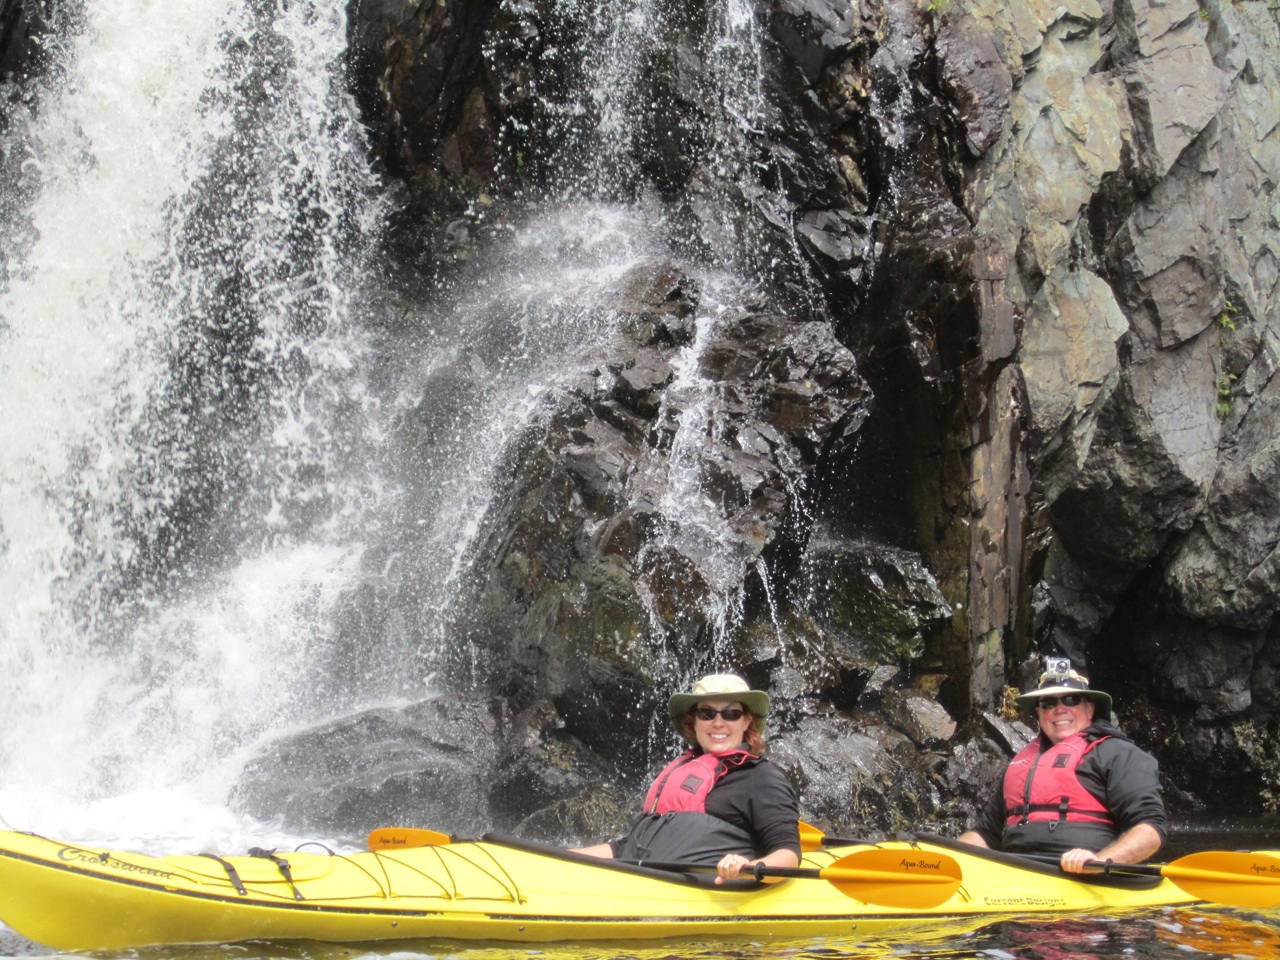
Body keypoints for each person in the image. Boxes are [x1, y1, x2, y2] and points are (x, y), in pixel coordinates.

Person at [572, 673, 801, 883]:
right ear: (694, 721)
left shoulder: (761, 779)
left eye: (731, 713)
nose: (718, 722)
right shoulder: (679, 774)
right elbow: (628, 847)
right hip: (640, 882)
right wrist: (558, 857)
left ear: (746, 721)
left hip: (705, 894)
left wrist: (748, 866)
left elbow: (789, 855)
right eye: (706, 713)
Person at [958, 659, 1167, 874]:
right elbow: (985, 835)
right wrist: (941, 856)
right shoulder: (1022, 763)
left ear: (1090, 709)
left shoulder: (1118, 754)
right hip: (1017, 874)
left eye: (1071, 699)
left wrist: (1100, 860)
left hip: (1088, 877)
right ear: (1039, 713)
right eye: (1049, 703)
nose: (1060, 709)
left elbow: (1151, 829)